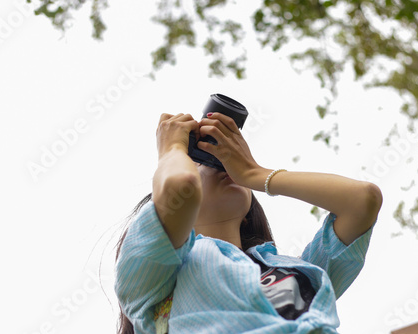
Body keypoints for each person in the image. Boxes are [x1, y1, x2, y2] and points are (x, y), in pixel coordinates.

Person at [114, 111, 383, 334]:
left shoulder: (296, 268)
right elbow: (180, 187)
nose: (217, 165)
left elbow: (362, 200)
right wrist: (172, 148)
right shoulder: (153, 281)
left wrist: (254, 173)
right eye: (198, 162)